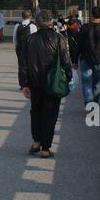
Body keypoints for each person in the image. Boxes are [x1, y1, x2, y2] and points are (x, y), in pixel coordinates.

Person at [18, 9, 73, 158]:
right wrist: (68, 77)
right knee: (50, 114)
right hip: (53, 82)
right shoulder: (59, 38)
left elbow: (23, 63)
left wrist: (24, 84)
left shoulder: (29, 39)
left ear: (37, 22)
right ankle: (45, 147)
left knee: (35, 111)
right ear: (51, 22)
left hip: (34, 82)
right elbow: (66, 61)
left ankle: (36, 141)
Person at [77, 6, 100, 106]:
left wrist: (74, 60)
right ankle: (95, 103)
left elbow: (79, 45)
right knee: (97, 83)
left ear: (91, 14)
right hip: (99, 59)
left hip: (85, 58)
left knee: (86, 83)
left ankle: (89, 103)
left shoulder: (84, 28)